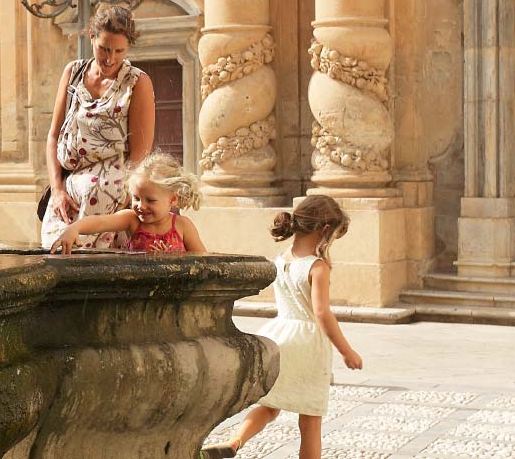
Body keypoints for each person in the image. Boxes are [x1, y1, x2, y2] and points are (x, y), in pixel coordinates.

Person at [200, 195, 363, 459]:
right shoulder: (317, 266)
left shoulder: (281, 259)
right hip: (308, 346)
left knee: (270, 405)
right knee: (310, 421)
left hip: (279, 337)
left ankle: (233, 442)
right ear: (324, 230)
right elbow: (321, 313)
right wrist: (347, 351)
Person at [40, 5, 155, 250]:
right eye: (104, 48)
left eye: (119, 51)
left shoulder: (137, 82)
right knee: (52, 252)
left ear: (128, 48)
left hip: (109, 191)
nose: (110, 58)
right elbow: (53, 136)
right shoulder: (73, 72)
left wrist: (125, 197)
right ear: (91, 37)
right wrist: (58, 190)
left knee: (85, 262)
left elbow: (140, 153)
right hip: (69, 187)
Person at [48, 152, 205, 254]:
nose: (141, 206)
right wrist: (74, 229)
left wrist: (177, 260)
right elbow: (100, 222)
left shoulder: (182, 226)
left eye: (150, 200)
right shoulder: (133, 220)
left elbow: (205, 260)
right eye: (136, 198)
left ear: (172, 199)